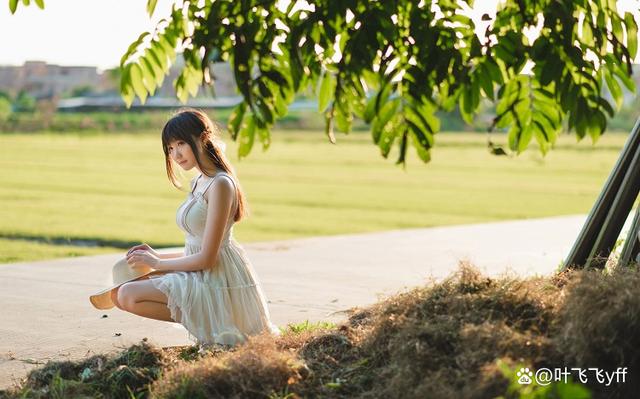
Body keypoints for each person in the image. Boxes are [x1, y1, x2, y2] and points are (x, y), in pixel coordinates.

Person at [112, 108, 280, 348]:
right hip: (197, 270)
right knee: (117, 293)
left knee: (127, 294)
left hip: (215, 278)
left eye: (181, 143)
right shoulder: (199, 181)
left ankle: (214, 325)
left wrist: (158, 264)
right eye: (170, 148)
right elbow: (194, 251)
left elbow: (207, 259)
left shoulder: (220, 184)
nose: (176, 154)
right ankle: (209, 325)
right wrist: (155, 258)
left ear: (202, 138)